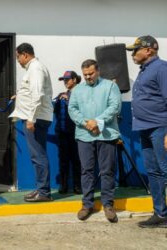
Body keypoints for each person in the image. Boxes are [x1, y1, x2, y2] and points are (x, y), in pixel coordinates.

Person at [68, 59, 121, 223]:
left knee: (107, 171)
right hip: (84, 135)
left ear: (98, 71)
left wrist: (97, 122)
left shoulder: (110, 86)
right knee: (87, 170)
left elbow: (115, 106)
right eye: (85, 75)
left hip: (106, 134)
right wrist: (86, 123)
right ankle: (87, 205)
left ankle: (108, 205)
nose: (88, 77)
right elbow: (72, 109)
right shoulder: (77, 90)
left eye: (91, 73)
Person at [126, 35, 167, 228]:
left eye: (136, 50)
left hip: (161, 128)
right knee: (154, 172)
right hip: (145, 128)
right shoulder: (144, 71)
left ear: (148, 50)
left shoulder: (161, 69)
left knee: (165, 170)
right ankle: (161, 213)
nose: (133, 54)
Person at [9, 43, 54, 202]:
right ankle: (40, 189)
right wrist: (19, 96)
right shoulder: (33, 68)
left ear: (25, 55)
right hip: (35, 116)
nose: (18, 61)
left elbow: (38, 94)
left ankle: (44, 193)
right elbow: (32, 92)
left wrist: (31, 118)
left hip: (36, 118)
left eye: (18, 57)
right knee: (37, 155)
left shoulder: (35, 68)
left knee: (38, 155)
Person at [54, 71, 82, 195]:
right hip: (62, 133)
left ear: (74, 79)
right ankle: (63, 185)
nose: (65, 82)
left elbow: (84, 108)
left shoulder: (82, 92)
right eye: (64, 80)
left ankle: (77, 186)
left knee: (77, 160)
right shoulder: (61, 95)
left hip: (77, 133)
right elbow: (55, 112)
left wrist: (69, 99)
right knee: (63, 160)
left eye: (67, 79)